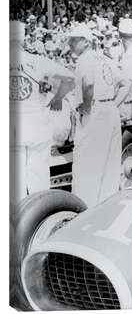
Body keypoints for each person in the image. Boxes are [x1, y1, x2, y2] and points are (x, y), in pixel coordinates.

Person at [10, 20, 74, 204]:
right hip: (37, 125)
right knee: (39, 180)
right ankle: (40, 219)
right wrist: (58, 98)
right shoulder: (38, 61)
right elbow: (70, 78)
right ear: (23, 39)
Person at [69, 24, 122, 208]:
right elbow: (122, 82)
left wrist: (85, 108)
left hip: (95, 110)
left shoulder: (84, 59)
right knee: (109, 166)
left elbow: (89, 84)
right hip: (110, 108)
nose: (70, 44)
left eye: (74, 40)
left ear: (85, 42)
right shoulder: (104, 57)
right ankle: (107, 209)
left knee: (87, 165)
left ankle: (84, 210)